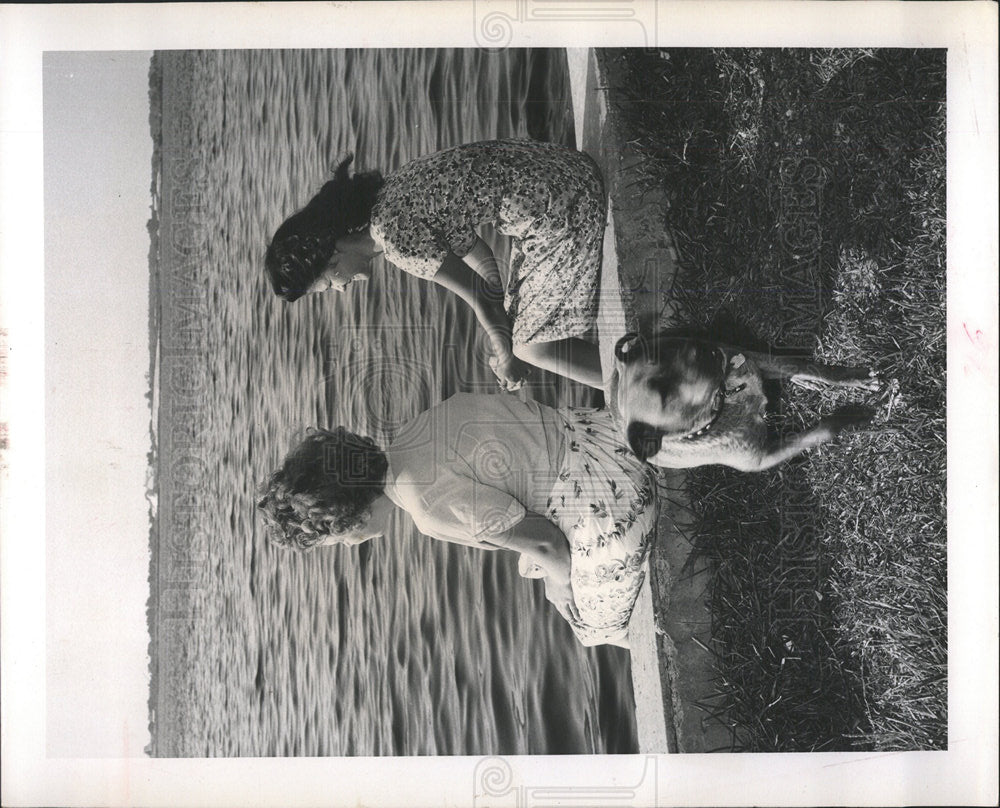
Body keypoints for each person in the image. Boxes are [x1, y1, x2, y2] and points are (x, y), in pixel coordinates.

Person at [257, 393, 658, 648]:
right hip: (603, 433)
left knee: (591, 625)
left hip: (609, 495)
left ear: (345, 515)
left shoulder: (426, 507)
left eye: (337, 537)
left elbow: (547, 543)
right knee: (530, 564)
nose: (346, 544)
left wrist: (559, 588)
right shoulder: (415, 430)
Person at [264, 139, 607, 390]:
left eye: (326, 285)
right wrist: (503, 319)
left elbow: (479, 297)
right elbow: (482, 261)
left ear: (331, 257)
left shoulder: (396, 242)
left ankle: (628, 389)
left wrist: (507, 357)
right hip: (565, 170)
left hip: (566, 210)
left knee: (533, 349)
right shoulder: (389, 198)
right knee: (514, 323)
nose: (339, 290)